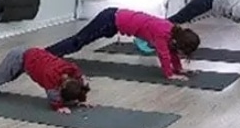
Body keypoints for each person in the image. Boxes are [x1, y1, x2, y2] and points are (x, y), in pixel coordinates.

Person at [45, 7, 201, 81]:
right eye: (183, 52)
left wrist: (180, 70)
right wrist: (170, 75)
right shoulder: (163, 33)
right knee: (77, 42)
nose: (181, 54)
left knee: (78, 42)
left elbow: (172, 52)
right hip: (110, 20)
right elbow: (164, 55)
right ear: (178, 42)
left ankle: (46, 54)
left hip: (113, 20)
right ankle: (45, 55)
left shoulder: (172, 33)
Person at [0, 47, 92, 114]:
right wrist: (59, 107)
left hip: (32, 56)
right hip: (19, 58)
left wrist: (82, 99)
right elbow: (53, 97)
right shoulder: (50, 76)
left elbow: (81, 85)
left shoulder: (72, 70)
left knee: (8, 77)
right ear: (61, 88)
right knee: (2, 76)